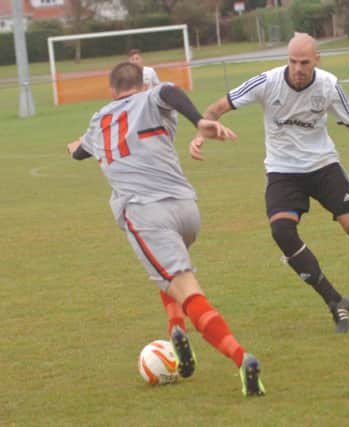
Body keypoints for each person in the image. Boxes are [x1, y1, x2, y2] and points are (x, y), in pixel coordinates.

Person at [191, 32, 349, 333]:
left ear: (316, 61)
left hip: (323, 166)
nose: (297, 69)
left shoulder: (328, 86)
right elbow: (216, 109)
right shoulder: (267, 82)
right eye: (292, 61)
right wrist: (200, 133)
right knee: (282, 231)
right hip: (282, 171)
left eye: (304, 63)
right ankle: (335, 301)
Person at [66, 62, 265, 397]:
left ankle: (241, 357)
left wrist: (73, 149)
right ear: (141, 85)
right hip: (186, 210)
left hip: (147, 214)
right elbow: (170, 92)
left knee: (186, 288)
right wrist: (198, 120)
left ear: (112, 90)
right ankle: (176, 329)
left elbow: (81, 152)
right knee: (166, 272)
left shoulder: (98, 119)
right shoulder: (153, 99)